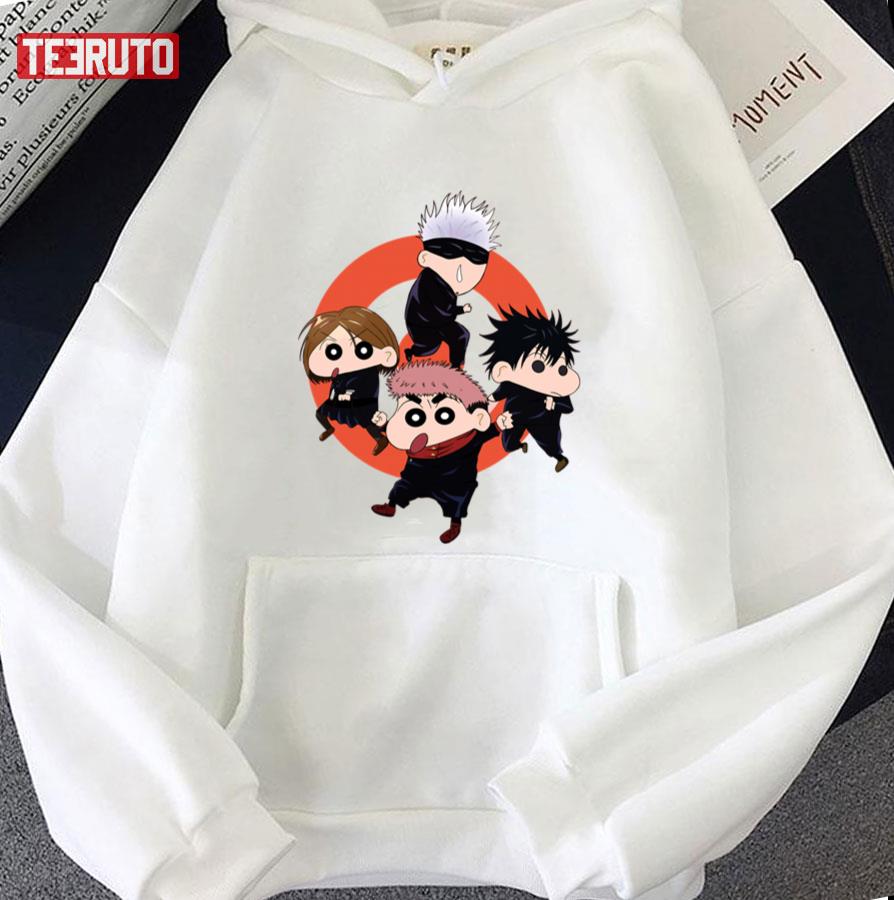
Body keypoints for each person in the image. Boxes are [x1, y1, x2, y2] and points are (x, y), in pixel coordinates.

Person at [371, 361, 512, 543]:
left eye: (445, 414)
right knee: (403, 488)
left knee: (457, 499)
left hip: (453, 480)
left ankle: (455, 524)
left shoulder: (469, 436)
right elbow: (399, 432)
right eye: (415, 416)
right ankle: (391, 506)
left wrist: (499, 425)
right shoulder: (415, 441)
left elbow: (487, 432)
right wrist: (384, 425)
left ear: (476, 417)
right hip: (417, 475)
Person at [404, 191, 500, 368]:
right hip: (423, 323)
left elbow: (444, 310)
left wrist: (456, 310)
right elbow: (440, 310)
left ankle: (456, 368)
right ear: (425, 258)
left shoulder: (444, 284)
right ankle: (412, 353)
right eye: (459, 270)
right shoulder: (429, 281)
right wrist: (460, 310)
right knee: (429, 346)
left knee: (461, 335)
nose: (462, 279)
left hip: (441, 321)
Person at [480, 307, 580, 472]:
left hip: (542, 417)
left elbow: (568, 407)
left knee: (549, 441)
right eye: (538, 366)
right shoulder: (514, 382)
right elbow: (502, 390)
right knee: (508, 443)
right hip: (515, 414)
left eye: (562, 369)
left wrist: (553, 404)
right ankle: (520, 446)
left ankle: (559, 458)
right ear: (504, 370)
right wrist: (490, 399)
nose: (555, 374)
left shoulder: (554, 389)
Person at [300, 306, 399, 456]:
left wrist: (349, 394)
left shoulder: (368, 370)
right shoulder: (339, 371)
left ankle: (380, 439)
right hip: (340, 401)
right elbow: (336, 385)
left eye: (363, 350)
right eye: (333, 352)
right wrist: (336, 394)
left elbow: (366, 388)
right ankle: (329, 428)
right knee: (320, 413)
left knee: (368, 422)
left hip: (362, 402)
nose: (346, 359)